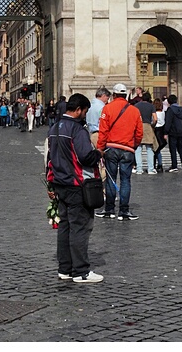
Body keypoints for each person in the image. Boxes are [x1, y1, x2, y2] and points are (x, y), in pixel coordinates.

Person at [46, 92, 104, 283]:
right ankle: (81, 271)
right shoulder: (77, 130)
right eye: (85, 112)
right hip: (76, 184)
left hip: (60, 183)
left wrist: (51, 183)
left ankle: (65, 269)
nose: (85, 116)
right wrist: (98, 154)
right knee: (80, 226)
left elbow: (49, 158)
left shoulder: (54, 128)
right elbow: (85, 156)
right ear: (78, 110)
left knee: (65, 226)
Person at [96, 82, 143, 220]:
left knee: (110, 179)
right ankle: (123, 211)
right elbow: (139, 133)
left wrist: (100, 148)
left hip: (111, 148)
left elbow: (103, 131)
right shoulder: (135, 110)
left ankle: (109, 210)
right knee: (125, 180)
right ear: (126, 95)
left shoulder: (107, 109)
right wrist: (134, 145)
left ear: (114, 95)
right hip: (127, 149)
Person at [163, 94, 182, 172]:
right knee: (180, 148)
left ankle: (174, 165)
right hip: (180, 130)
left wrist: (165, 132)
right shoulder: (181, 109)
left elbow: (168, 122)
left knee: (173, 149)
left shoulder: (170, 110)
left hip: (173, 131)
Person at [134, 91, 157, 174]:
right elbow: (155, 118)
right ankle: (150, 168)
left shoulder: (136, 106)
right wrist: (153, 126)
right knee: (149, 148)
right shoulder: (151, 106)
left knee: (138, 149)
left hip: (138, 126)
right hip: (148, 127)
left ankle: (139, 169)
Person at [153, 97, 167, 172]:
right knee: (158, 150)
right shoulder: (163, 113)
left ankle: (156, 165)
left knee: (155, 150)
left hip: (156, 131)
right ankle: (159, 165)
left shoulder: (155, 114)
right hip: (161, 131)